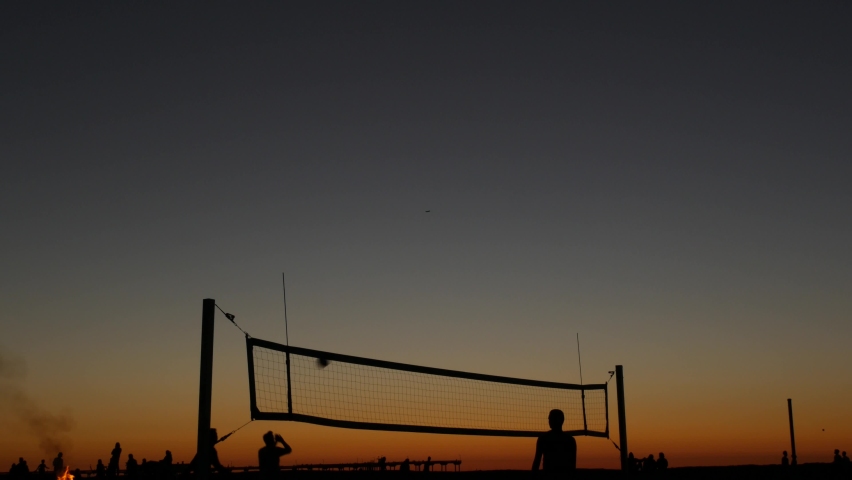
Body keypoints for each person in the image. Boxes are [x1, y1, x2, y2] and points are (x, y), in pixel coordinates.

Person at [532, 409, 577, 474]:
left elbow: (537, 462)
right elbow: (572, 465)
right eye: (549, 419)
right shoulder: (570, 440)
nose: (549, 421)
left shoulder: (543, 438)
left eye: (550, 419)